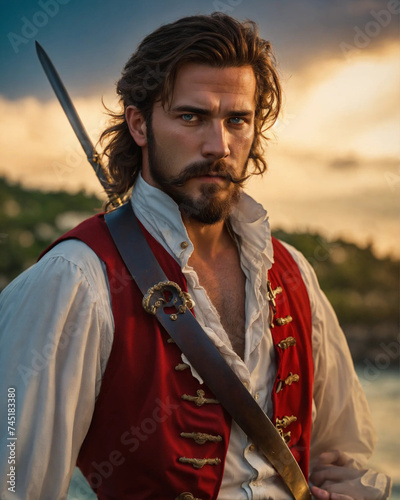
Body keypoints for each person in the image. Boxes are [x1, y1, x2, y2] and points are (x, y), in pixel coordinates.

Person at [0, 12, 392, 500]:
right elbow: (14, 483)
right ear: (140, 124)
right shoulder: (75, 280)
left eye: (237, 120)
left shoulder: (292, 273)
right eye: (191, 116)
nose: (218, 146)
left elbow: (341, 456)